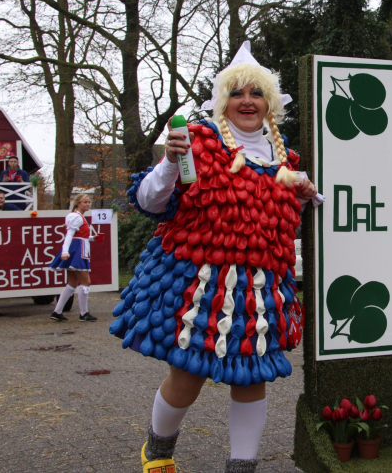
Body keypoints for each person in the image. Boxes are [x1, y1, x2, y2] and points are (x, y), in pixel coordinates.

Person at [109, 42, 320, 473]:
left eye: (256, 93)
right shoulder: (197, 141)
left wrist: (307, 197)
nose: (247, 101)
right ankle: (158, 453)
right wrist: (169, 162)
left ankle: (242, 468)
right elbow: (150, 203)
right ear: (223, 100)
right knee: (186, 379)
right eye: (237, 92)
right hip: (198, 283)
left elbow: (276, 226)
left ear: (269, 103)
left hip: (259, 290)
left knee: (252, 380)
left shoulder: (286, 161)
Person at [48, 193, 98, 322]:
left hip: (77, 248)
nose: (88, 204)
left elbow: (79, 235)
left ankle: (57, 311)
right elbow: (69, 235)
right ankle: (84, 313)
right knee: (86, 282)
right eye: (85, 202)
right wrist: (65, 251)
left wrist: (92, 238)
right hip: (77, 250)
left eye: (89, 202)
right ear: (78, 204)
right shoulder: (76, 217)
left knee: (72, 283)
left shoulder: (79, 217)